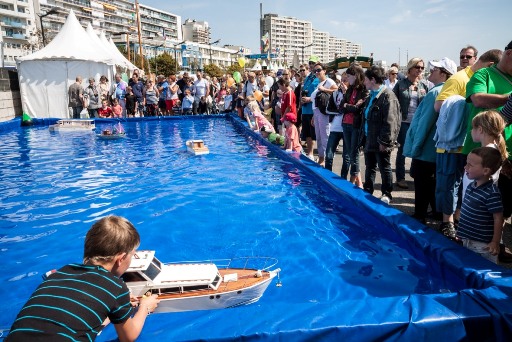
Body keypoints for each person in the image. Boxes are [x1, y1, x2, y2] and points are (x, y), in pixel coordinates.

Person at [7, 215, 160, 341]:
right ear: (120, 259)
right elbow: (128, 336)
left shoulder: (60, 273)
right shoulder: (116, 287)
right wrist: (145, 307)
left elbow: (70, 315)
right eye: (133, 255)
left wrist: (115, 310)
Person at [433, 48, 502, 236]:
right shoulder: (460, 78)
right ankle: (447, 222)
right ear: (491, 65)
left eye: (468, 56)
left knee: (467, 184)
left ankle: (458, 217)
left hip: (472, 142)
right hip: (453, 143)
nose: (464, 59)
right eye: (462, 56)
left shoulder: (481, 77)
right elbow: (439, 106)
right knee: (449, 183)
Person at [403, 57, 457, 223]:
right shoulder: (450, 91)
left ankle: (420, 215)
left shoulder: (435, 92)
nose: (430, 71)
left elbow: (423, 124)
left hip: (426, 150)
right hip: (437, 149)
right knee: (433, 184)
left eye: (435, 69)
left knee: (422, 183)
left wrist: (415, 148)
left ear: (443, 74)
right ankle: (437, 213)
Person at [360, 66, 401, 203]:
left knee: (384, 167)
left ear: (372, 79)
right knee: (370, 166)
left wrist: (384, 141)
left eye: (366, 79)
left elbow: (391, 121)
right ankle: (368, 191)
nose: (364, 82)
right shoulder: (371, 96)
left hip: (379, 141)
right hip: (369, 139)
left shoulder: (388, 96)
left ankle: (386, 193)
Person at [457, 147, 504, 263]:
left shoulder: (491, 193)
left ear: (486, 171)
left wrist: (495, 242)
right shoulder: (471, 186)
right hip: (468, 240)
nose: (465, 167)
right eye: (466, 163)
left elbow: (498, 218)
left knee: (483, 271)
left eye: (470, 165)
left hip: (483, 246)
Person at [392, 58, 429, 189]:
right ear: (410, 68)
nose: (420, 70)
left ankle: (414, 174)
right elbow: (393, 103)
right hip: (403, 122)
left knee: (417, 148)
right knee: (402, 150)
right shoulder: (400, 84)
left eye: (422, 68)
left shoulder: (424, 85)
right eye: (417, 67)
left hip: (418, 123)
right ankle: (400, 178)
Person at [339, 65, 369, 185]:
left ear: (356, 76)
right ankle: (359, 183)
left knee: (354, 153)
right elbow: (341, 105)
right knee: (350, 153)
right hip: (346, 123)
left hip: (355, 125)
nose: (347, 78)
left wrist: (347, 106)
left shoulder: (364, 90)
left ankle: (353, 180)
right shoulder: (350, 89)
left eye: (349, 76)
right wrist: (347, 106)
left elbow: (357, 108)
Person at [311, 62, 337, 166]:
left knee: (325, 135)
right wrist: (313, 116)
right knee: (319, 136)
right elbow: (315, 101)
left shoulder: (328, 81)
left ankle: (328, 159)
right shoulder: (319, 83)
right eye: (315, 71)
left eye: (318, 70)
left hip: (324, 112)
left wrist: (325, 89)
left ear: (324, 71)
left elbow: (336, 89)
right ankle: (321, 158)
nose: (317, 72)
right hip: (317, 112)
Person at [324, 72, 348, 173]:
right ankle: (328, 176)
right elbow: (328, 109)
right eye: (341, 80)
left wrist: (346, 93)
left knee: (346, 157)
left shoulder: (351, 93)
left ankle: (343, 179)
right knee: (329, 155)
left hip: (347, 128)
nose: (342, 83)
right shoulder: (336, 93)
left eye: (345, 80)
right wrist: (339, 111)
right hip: (335, 127)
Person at [300, 57, 320, 160]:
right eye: (310, 63)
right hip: (305, 109)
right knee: (307, 132)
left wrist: (309, 99)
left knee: (313, 133)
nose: (311, 64)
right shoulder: (308, 77)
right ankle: (310, 153)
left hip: (312, 109)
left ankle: (314, 154)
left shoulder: (318, 78)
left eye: (313, 63)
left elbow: (320, 94)